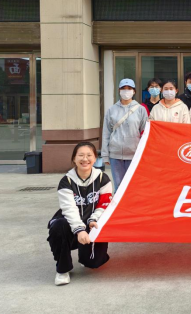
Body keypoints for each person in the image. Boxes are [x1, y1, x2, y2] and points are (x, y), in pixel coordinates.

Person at [47, 142, 112, 286]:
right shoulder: (66, 181)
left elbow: (104, 204)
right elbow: (69, 208)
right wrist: (79, 230)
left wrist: (94, 219)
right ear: (74, 159)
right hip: (70, 224)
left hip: (91, 222)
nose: (85, 159)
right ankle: (63, 269)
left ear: (95, 159)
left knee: (94, 263)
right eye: (81, 155)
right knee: (58, 226)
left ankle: (86, 256)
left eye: (89, 155)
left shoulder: (103, 178)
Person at [101, 78, 147, 191]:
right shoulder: (111, 110)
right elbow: (106, 133)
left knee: (133, 185)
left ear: (134, 91)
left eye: (129, 88)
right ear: (119, 90)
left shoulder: (141, 109)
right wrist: (105, 154)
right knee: (119, 186)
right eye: (123, 88)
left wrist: (143, 153)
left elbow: (145, 132)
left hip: (134, 154)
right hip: (115, 154)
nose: (126, 91)